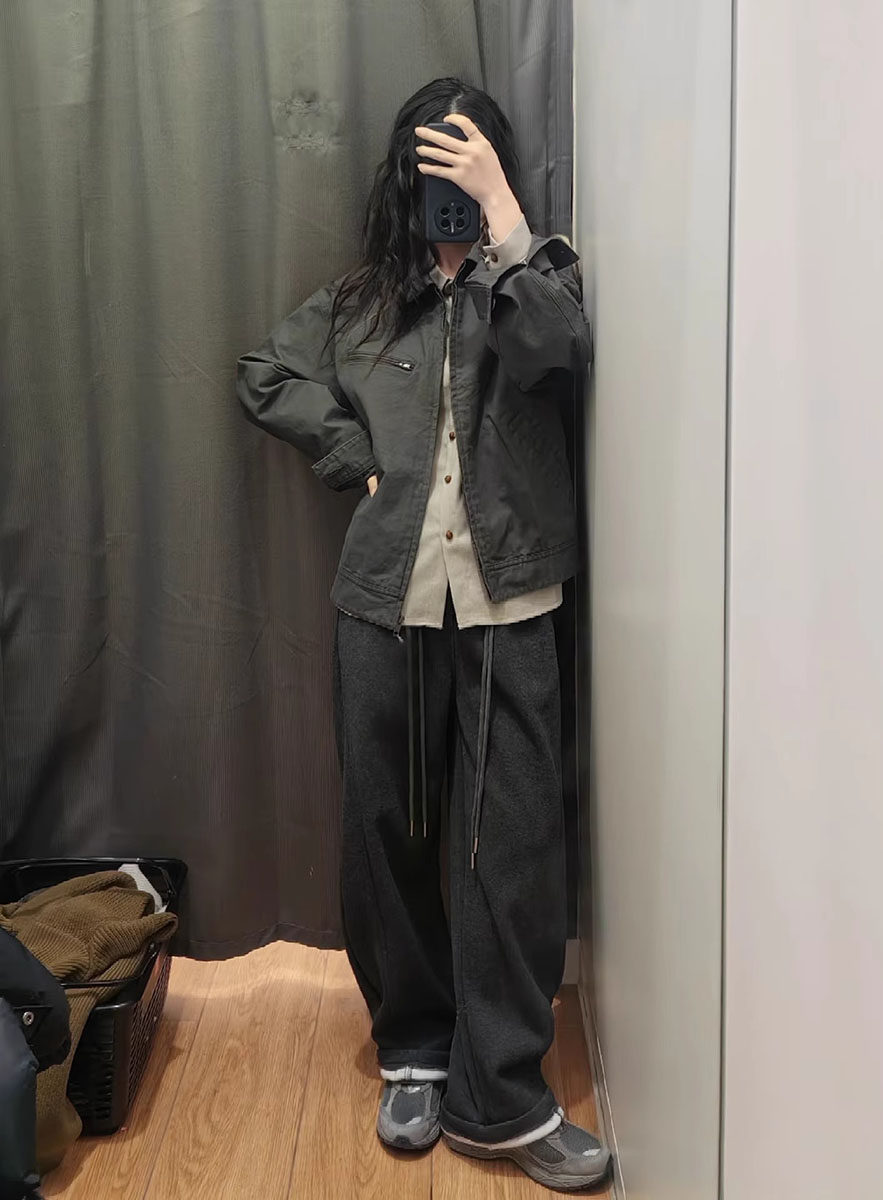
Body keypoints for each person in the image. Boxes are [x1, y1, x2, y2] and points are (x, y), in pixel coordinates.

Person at [236, 76, 612, 1193]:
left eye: (467, 160)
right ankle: (414, 1049)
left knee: (514, 849)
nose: (445, 183)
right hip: (386, 607)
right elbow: (264, 373)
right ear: (403, 175)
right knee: (388, 834)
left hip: (511, 603)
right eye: (431, 163)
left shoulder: (535, 280)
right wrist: (347, 451)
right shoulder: (363, 303)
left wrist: (504, 219)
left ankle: (503, 1096)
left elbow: (561, 351)